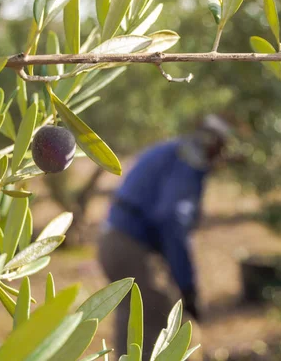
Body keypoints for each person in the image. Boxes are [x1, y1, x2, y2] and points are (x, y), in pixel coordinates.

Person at [97, 114, 233, 359]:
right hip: (128, 245)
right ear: (214, 144)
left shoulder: (172, 152)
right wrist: (187, 287)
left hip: (113, 242)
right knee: (162, 317)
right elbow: (171, 220)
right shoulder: (186, 162)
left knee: (134, 317)